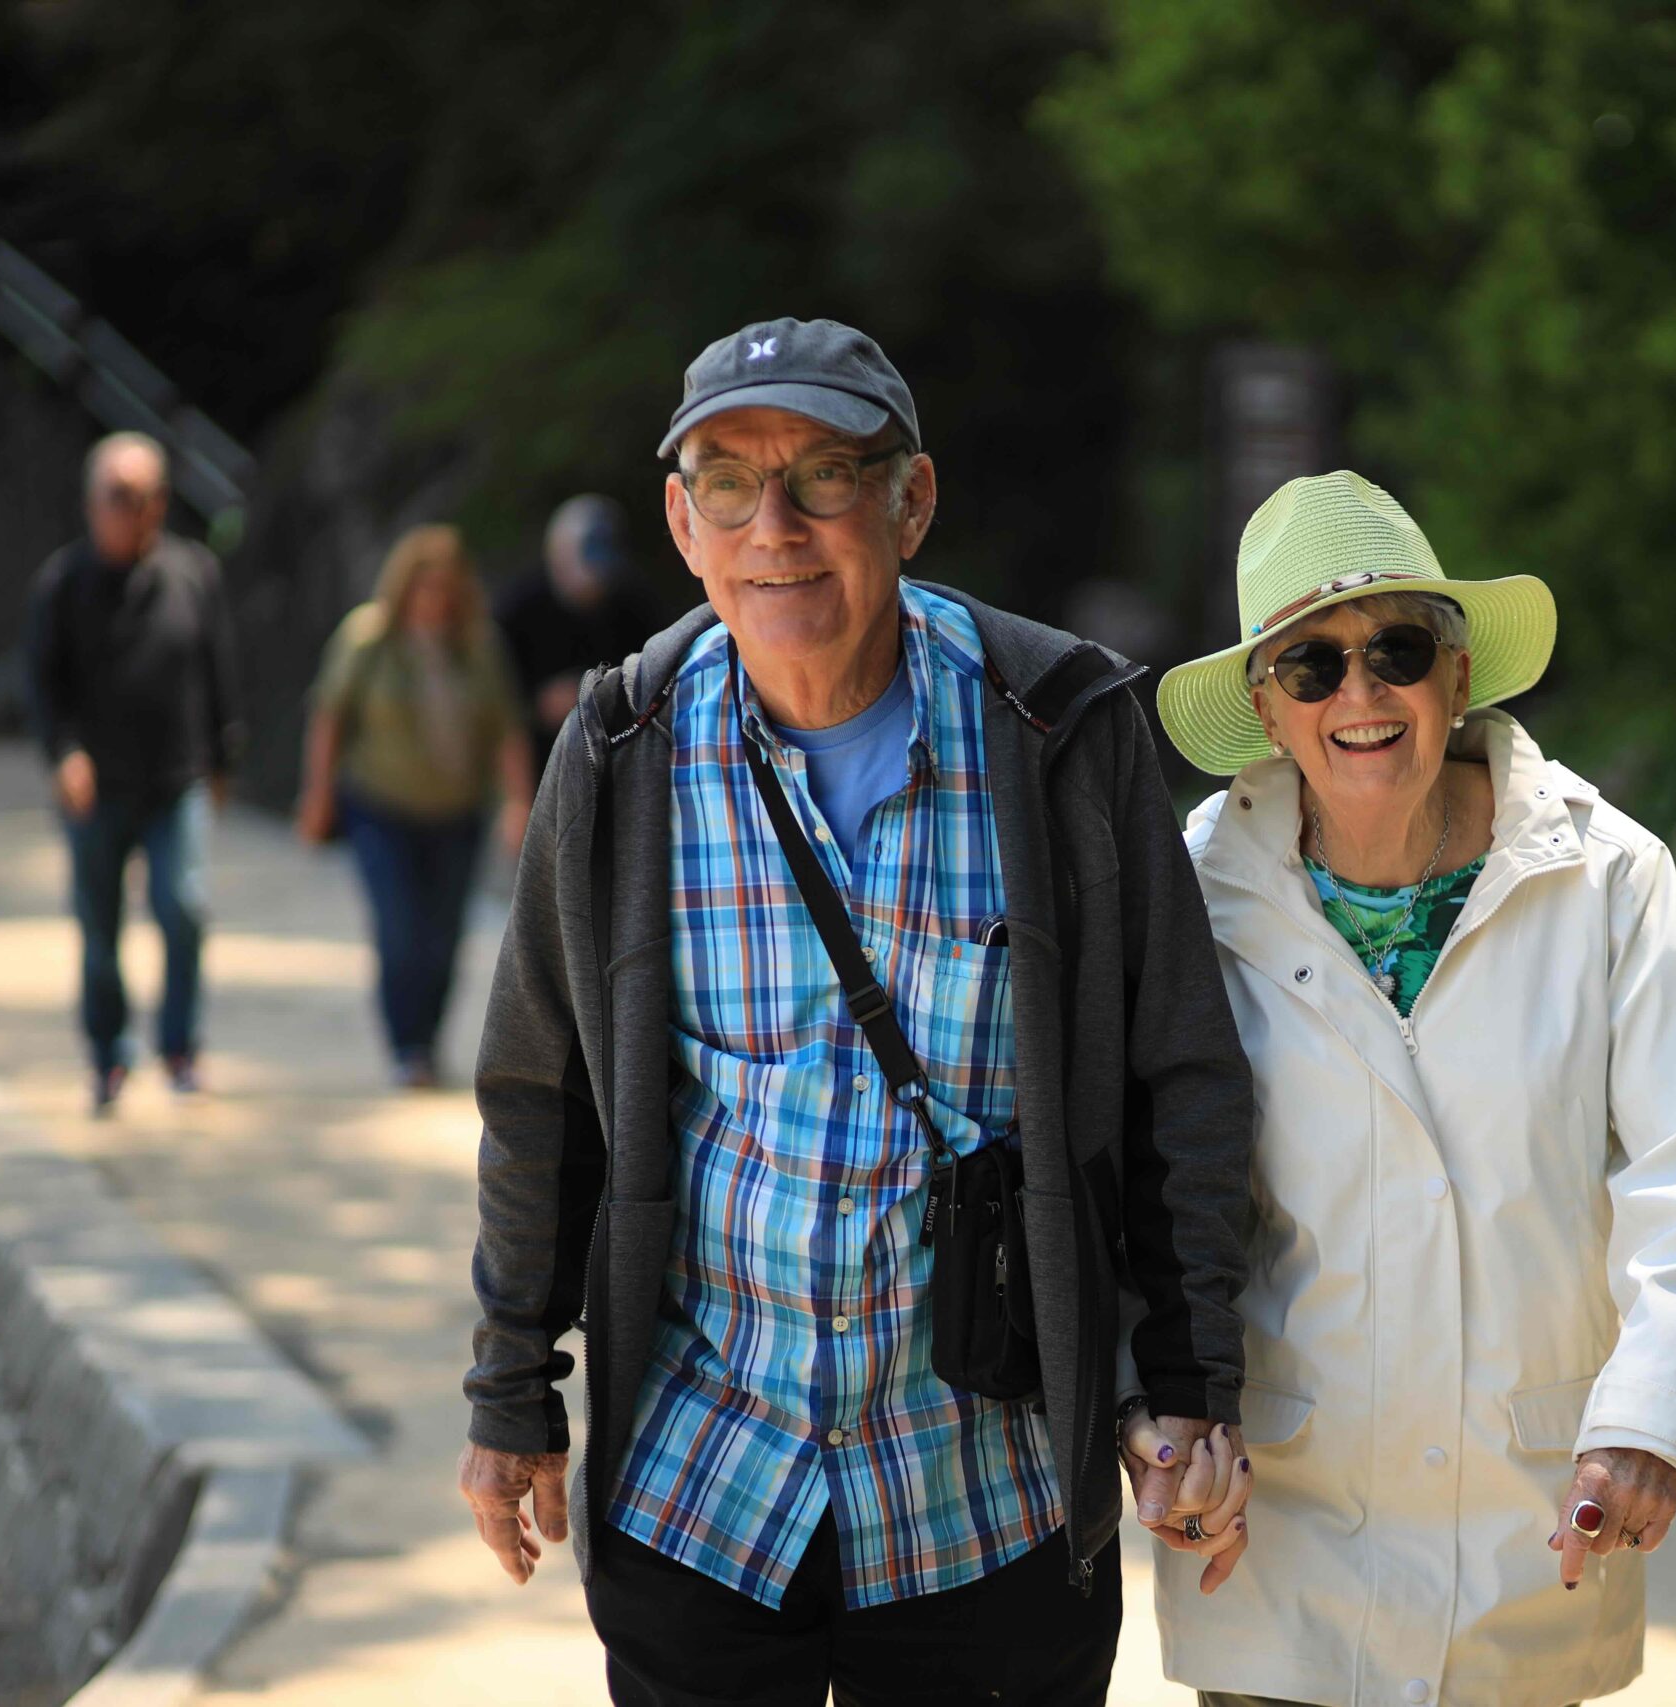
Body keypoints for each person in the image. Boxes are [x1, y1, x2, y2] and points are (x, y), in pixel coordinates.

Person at [456, 317, 1256, 1705]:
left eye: (827, 473)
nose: (778, 525)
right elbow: (544, 1087)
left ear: (912, 500)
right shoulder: (620, 747)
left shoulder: (1060, 730)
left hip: (982, 1499)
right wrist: (510, 1389)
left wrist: (1188, 1376)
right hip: (706, 1477)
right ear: (681, 521)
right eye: (728, 480)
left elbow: (1176, 1067)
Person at [1133, 471, 1676, 1707]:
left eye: (1397, 651)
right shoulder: (1189, 896)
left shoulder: (1607, 875)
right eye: (1310, 666)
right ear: (1266, 707)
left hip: (1531, 1549)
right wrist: (1156, 1422)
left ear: (1457, 677)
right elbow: (1142, 1185)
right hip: (1282, 1555)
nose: (1359, 694)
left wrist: (1648, 1423)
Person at [24, 431, 240, 1114]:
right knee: (99, 925)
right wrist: (65, 754)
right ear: (93, 503)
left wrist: (224, 756)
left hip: (176, 779)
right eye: (122, 496)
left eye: (151, 496)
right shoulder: (61, 584)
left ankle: (179, 1048)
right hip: (97, 787)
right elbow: (43, 686)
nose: (138, 509)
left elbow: (218, 670)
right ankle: (108, 1054)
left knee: (185, 907)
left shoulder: (193, 572)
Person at [294, 524, 532, 1087]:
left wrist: (518, 801)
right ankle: (406, 1045)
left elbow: (507, 729)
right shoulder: (367, 639)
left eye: (444, 589)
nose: (434, 601)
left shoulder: (478, 646)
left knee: (444, 934)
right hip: (382, 807)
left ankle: (426, 1038)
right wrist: (318, 795)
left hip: (457, 811)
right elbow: (329, 718)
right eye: (424, 588)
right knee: (399, 929)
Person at [496, 493, 659, 779]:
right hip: (537, 764)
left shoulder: (634, 606)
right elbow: (493, 696)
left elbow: (654, 679)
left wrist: (601, 695)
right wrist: (536, 705)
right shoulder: (517, 609)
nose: (591, 585)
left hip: (612, 759)